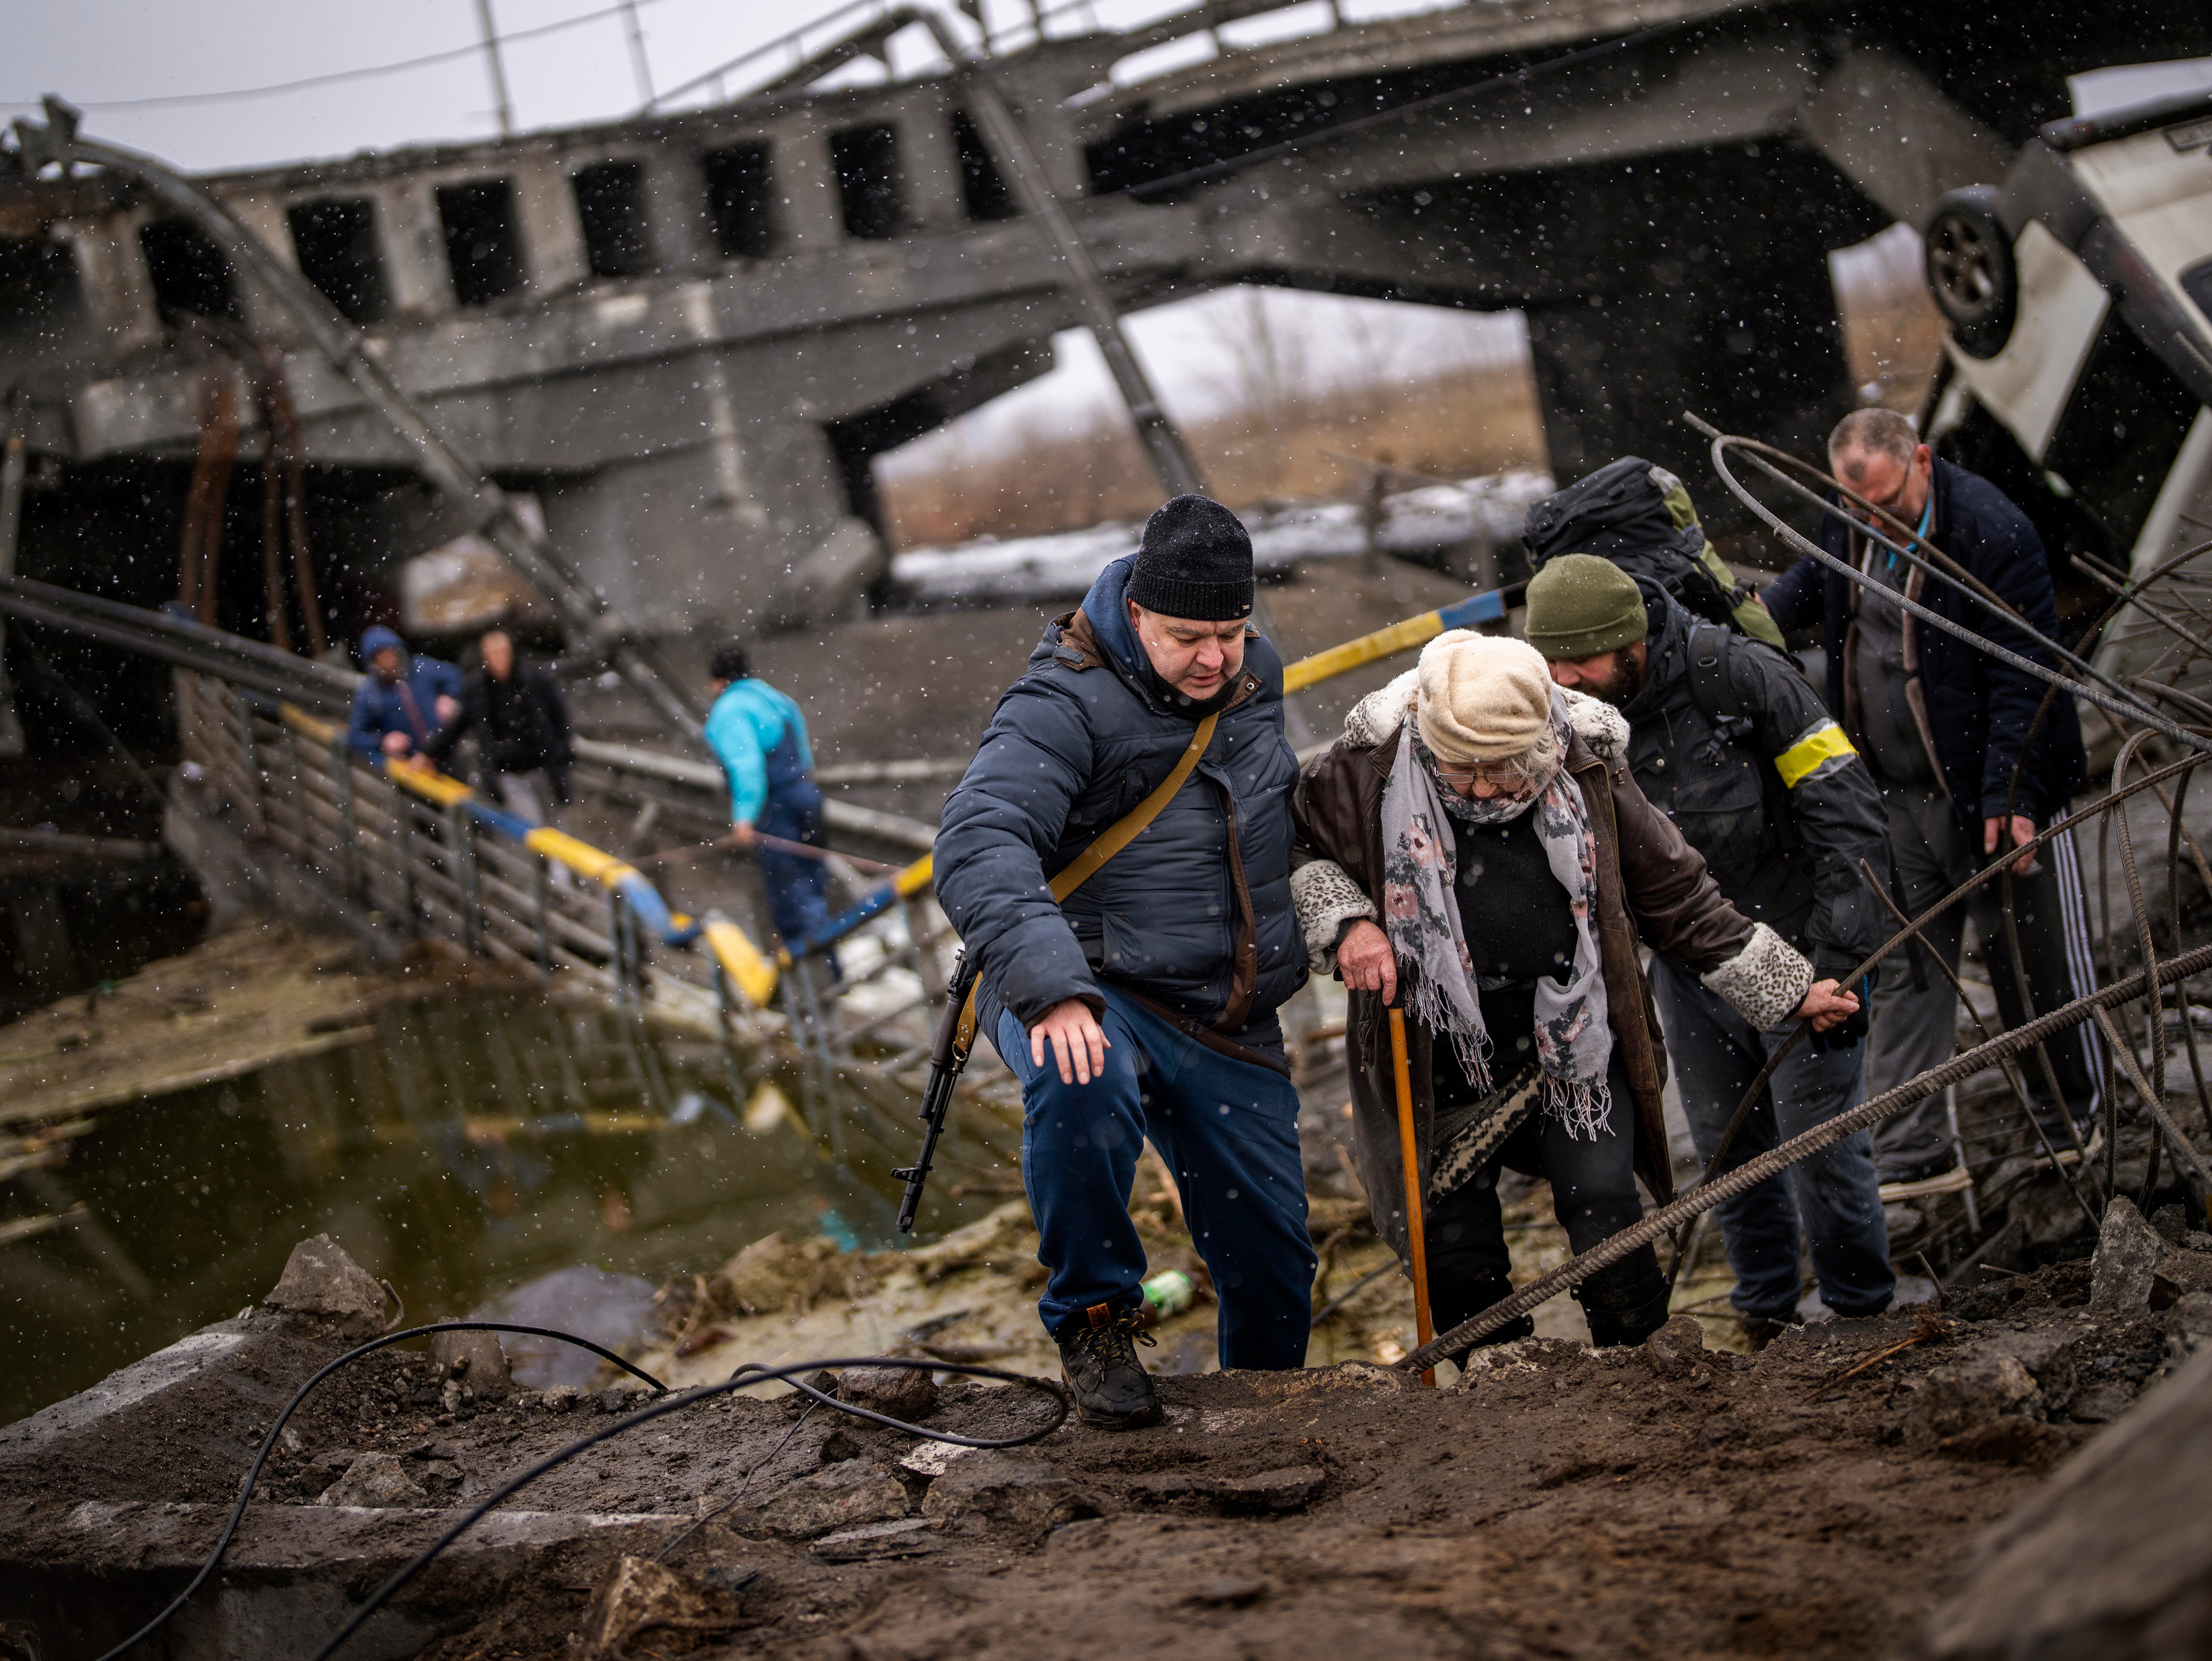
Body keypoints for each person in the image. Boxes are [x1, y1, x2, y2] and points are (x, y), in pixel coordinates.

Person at [1293, 632, 1860, 1356]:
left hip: (1572, 1026)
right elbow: (1299, 848)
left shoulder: (1588, 766)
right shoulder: (1361, 769)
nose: (1482, 788)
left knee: (1602, 1200)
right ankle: (1504, 1387)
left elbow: (1677, 896)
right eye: (1459, 769)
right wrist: (1346, 922)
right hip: (1431, 1033)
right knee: (1450, 1234)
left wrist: (1791, 991)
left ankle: (1644, 1364)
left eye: (1502, 767)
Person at [935, 495, 1310, 1428]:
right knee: (1082, 1071)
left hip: (1223, 1011)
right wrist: (1055, 991)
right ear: (1136, 612)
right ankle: (1095, 1315)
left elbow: (1279, 819)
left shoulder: (1253, 678)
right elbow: (979, 839)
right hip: (1091, 983)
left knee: (1273, 1264)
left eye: (1231, 631)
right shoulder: (1061, 699)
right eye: (1188, 635)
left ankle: (1259, 1415)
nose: (1213, 656)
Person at [1528, 553, 1895, 1345]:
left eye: (1582, 660)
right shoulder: (1567, 715)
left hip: (1801, 952)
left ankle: (1863, 1321)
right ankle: (1764, 1320)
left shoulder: (1743, 679)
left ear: (1629, 640)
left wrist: (1841, 960)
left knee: (1823, 1153)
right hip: (1692, 971)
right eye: (1551, 664)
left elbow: (1849, 817)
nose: (1567, 679)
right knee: (1730, 1158)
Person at [1764, 408, 2098, 1183]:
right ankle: (1915, 1154)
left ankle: (2077, 1126)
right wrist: (1737, 627)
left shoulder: (1990, 531)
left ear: (1919, 459)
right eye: (1855, 507)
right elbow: (1802, 588)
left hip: (1989, 791)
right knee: (1912, 969)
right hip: (1898, 796)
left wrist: (2009, 799)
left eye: (1884, 502)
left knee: (2033, 970)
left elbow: (2025, 676)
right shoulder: (1849, 516)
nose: (1869, 519)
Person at [703, 641, 835, 959]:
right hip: (806, 797)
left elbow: (747, 767)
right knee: (814, 887)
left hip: (777, 808)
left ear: (718, 681)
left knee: (791, 900)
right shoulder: (775, 698)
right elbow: (803, 753)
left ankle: (814, 989)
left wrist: (745, 817)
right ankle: (830, 973)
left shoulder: (730, 709)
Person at [418, 628, 573, 828]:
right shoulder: (478, 689)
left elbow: (560, 718)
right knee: (531, 827)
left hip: (543, 767)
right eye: (492, 653)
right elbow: (457, 726)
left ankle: (552, 859)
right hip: (507, 771)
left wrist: (563, 754)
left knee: (557, 827)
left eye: (502, 652)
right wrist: (429, 752)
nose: (498, 658)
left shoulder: (536, 680)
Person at [347, 624, 461, 762]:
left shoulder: (422, 668)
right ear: (373, 662)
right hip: (412, 764)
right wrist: (383, 741)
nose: (388, 659)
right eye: (381, 656)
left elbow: (455, 675)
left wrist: (449, 696)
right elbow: (355, 736)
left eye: (390, 652)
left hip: (448, 750)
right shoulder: (370, 693)